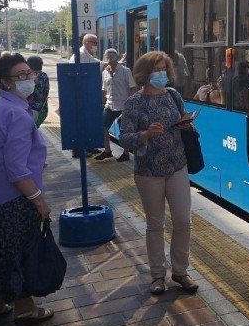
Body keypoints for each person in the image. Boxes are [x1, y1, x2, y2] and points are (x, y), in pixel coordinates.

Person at [0, 53, 54, 326]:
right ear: (6, 82)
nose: (29, 79)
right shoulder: (16, 113)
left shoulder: (0, 104)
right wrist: (39, 200)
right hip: (11, 199)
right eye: (21, 75)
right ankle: (25, 309)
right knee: (18, 253)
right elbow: (16, 169)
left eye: (29, 73)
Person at [118, 51, 197, 295]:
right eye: (156, 70)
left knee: (183, 222)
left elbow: (184, 119)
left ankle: (181, 271)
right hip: (148, 171)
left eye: (164, 69)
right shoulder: (134, 103)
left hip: (177, 166)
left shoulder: (173, 95)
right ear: (144, 74)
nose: (162, 74)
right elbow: (124, 138)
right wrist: (146, 134)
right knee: (155, 225)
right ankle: (157, 275)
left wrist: (187, 123)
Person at [68, 33, 106, 158]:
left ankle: (89, 146)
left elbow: (98, 63)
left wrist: (115, 62)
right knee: (80, 120)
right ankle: (78, 149)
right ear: (86, 42)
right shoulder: (80, 55)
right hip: (79, 94)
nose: (95, 45)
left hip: (86, 93)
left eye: (96, 43)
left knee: (87, 120)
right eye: (94, 43)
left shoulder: (86, 54)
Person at [96, 48, 137, 162]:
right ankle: (107, 151)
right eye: (107, 56)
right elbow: (104, 90)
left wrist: (131, 105)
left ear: (117, 58)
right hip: (109, 105)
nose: (109, 59)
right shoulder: (105, 72)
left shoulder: (125, 71)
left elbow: (132, 88)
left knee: (124, 131)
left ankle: (126, 153)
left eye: (112, 56)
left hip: (124, 106)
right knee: (103, 127)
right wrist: (103, 103)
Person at [26, 56, 49, 128]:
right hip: (43, 111)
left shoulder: (33, 76)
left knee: (28, 132)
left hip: (33, 110)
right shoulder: (44, 75)